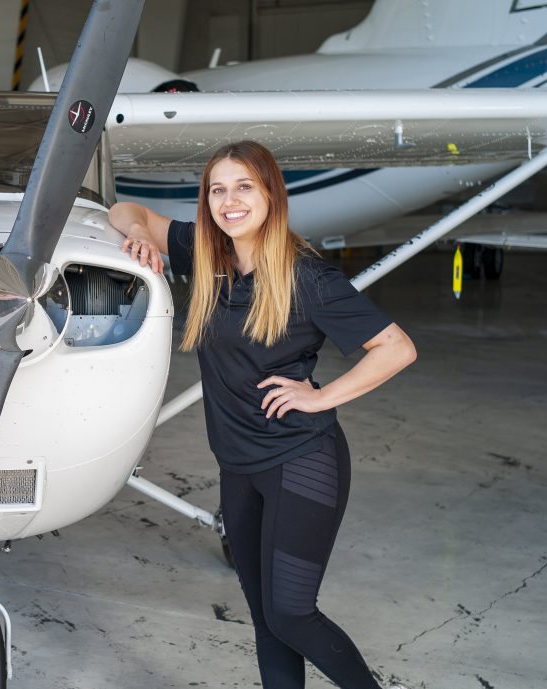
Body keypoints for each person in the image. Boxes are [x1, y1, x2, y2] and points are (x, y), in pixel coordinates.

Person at [109, 140, 416, 689]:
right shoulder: (204, 251)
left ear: (271, 193)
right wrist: (135, 234)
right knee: (268, 623)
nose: (230, 201)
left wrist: (320, 397)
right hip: (238, 467)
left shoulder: (309, 279)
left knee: (293, 614)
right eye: (217, 189)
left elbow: (396, 347)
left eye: (244, 186)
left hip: (301, 461)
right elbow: (123, 211)